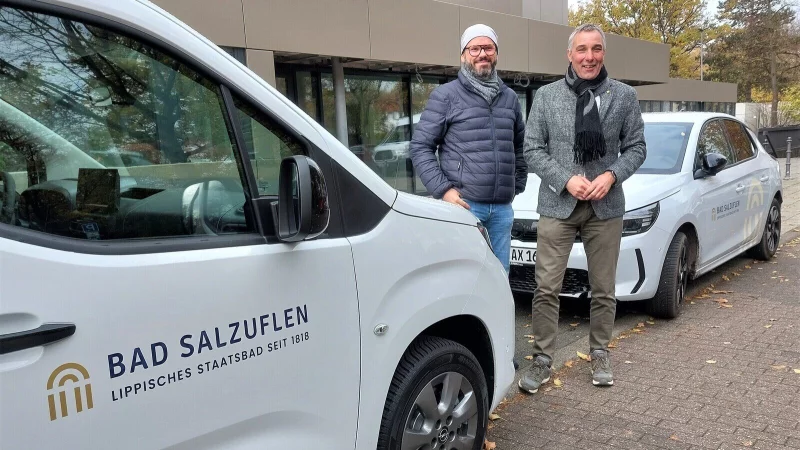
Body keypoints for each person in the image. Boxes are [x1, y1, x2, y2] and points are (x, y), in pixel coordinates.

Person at [518, 23, 646, 393]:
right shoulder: (546, 96)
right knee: (546, 287)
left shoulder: (624, 96)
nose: (589, 57)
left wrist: (612, 175)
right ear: (570, 55)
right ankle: (543, 358)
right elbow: (532, 149)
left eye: (596, 49)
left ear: (603, 53)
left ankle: (600, 352)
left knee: (603, 287)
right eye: (582, 49)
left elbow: (636, 147)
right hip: (558, 204)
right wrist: (564, 179)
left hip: (605, 207)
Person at [410, 24, 527, 273]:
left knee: (500, 276)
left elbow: (519, 146)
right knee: (465, 276)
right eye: (474, 49)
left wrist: (517, 183)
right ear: (463, 55)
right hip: (464, 206)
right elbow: (420, 147)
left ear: (496, 53)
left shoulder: (509, 98)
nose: (482, 54)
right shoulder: (446, 96)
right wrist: (443, 191)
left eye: (488, 48)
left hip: (502, 209)